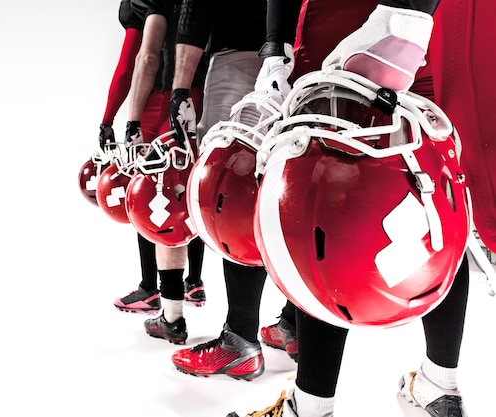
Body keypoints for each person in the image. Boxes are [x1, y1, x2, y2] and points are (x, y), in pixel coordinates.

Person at [229, 0, 484, 416]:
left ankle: (310, 405)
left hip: (345, 26)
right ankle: (441, 385)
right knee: (432, 193)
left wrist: (276, 45)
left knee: (322, 201)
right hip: (427, 26)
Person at [164, 0, 303, 379]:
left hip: (246, 60)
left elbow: (195, 12)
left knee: (235, 193)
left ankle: (240, 340)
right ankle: (295, 324)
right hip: (310, 50)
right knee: (298, 189)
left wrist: (179, 88)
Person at [97, 0, 207, 316]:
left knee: (146, 192)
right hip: (198, 94)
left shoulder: (146, 3)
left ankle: (151, 288)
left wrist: (109, 119)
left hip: (158, 98)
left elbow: (135, 60)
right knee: (188, 190)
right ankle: (194, 281)